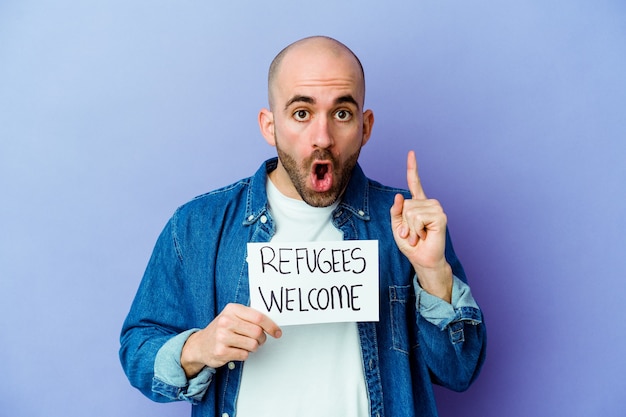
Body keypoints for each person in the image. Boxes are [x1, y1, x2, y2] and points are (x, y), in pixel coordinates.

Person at [119, 36, 486, 417]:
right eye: (301, 113)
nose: (322, 138)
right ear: (269, 125)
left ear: (365, 126)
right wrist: (198, 348)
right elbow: (137, 352)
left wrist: (433, 273)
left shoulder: (410, 227)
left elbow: (460, 371)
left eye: (341, 113)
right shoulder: (198, 226)